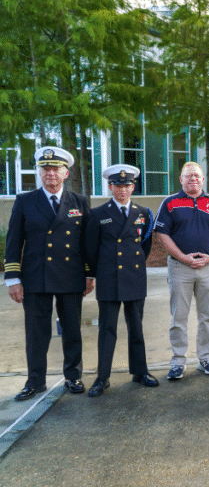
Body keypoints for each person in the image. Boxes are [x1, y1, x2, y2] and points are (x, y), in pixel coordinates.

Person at [4, 146, 94, 401]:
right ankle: (35, 381)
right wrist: (13, 279)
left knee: (72, 330)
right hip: (35, 277)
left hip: (71, 275)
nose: (50, 173)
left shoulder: (79, 201)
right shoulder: (25, 201)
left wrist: (90, 274)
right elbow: (13, 242)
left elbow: (87, 242)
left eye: (56, 169)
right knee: (36, 333)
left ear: (66, 173)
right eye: (45, 169)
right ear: (39, 173)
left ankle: (73, 376)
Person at [84, 164, 157, 397]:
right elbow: (90, 249)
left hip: (134, 277)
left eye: (126, 185)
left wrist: (132, 267)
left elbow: (144, 246)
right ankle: (102, 378)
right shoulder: (97, 214)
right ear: (110, 186)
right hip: (108, 278)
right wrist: (94, 274)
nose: (122, 190)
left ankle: (140, 371)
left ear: (133, 187)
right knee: (107, 329)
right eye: (117, 185)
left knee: (136, 327)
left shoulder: (143, 213)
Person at [154, 162, 209, 380]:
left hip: (208, 268)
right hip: (180, 268)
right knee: (179, 317)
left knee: (207, 316)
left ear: (203, 179)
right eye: (188, 176)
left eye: (196, 176)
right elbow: (163, 234)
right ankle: (178, 361)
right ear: (181, 179)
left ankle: (206, 358)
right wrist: (182, 257)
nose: (193, 179)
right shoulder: (170, 203)